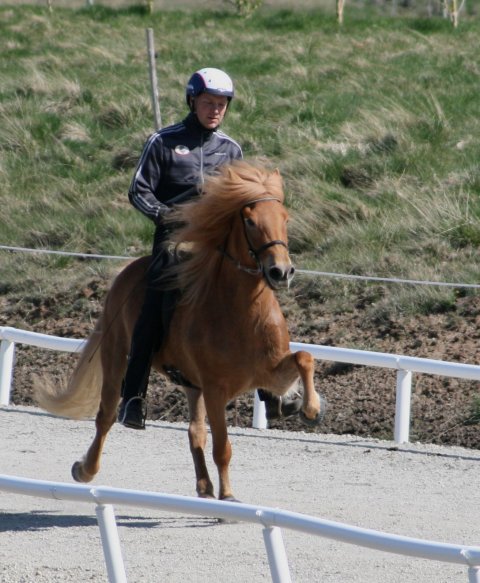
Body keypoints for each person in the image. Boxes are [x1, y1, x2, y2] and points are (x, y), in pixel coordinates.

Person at [118, 67, 301, 430]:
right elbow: (139, 191)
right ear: (192, 102)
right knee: (152, 307)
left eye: (221, 104)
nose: (215, 109)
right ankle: (134, 397)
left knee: (256, 299)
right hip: (173, 243)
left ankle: (271, 389)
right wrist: (164, 215)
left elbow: (244, 205)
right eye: (208, 103)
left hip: (218, 248)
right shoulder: (163, 141)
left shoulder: (231, 149)